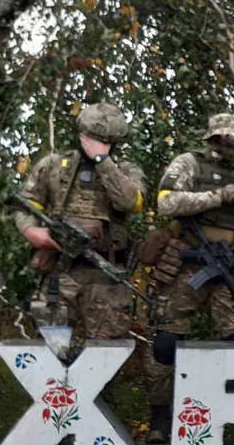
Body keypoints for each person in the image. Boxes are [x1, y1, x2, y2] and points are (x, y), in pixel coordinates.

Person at [144, 114, 234, 444]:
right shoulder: (188, 164)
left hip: (225, 268)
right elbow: (167, 203)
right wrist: (220, 197)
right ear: (212, 139)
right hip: (186, 264)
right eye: (223, 139)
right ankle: (159, 419)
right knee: (166, 345)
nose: (229, 146)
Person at [13, 102, 145, 360]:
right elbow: (25, 205)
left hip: (106, 276)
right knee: (52, 352)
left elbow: (131, 202)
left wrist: (103, 161)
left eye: (104, 141)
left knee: (105, 356)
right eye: (92, 138)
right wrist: (31, 232)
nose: (95, 144)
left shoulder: (125, 171)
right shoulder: (54, 165)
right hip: (60, 272)